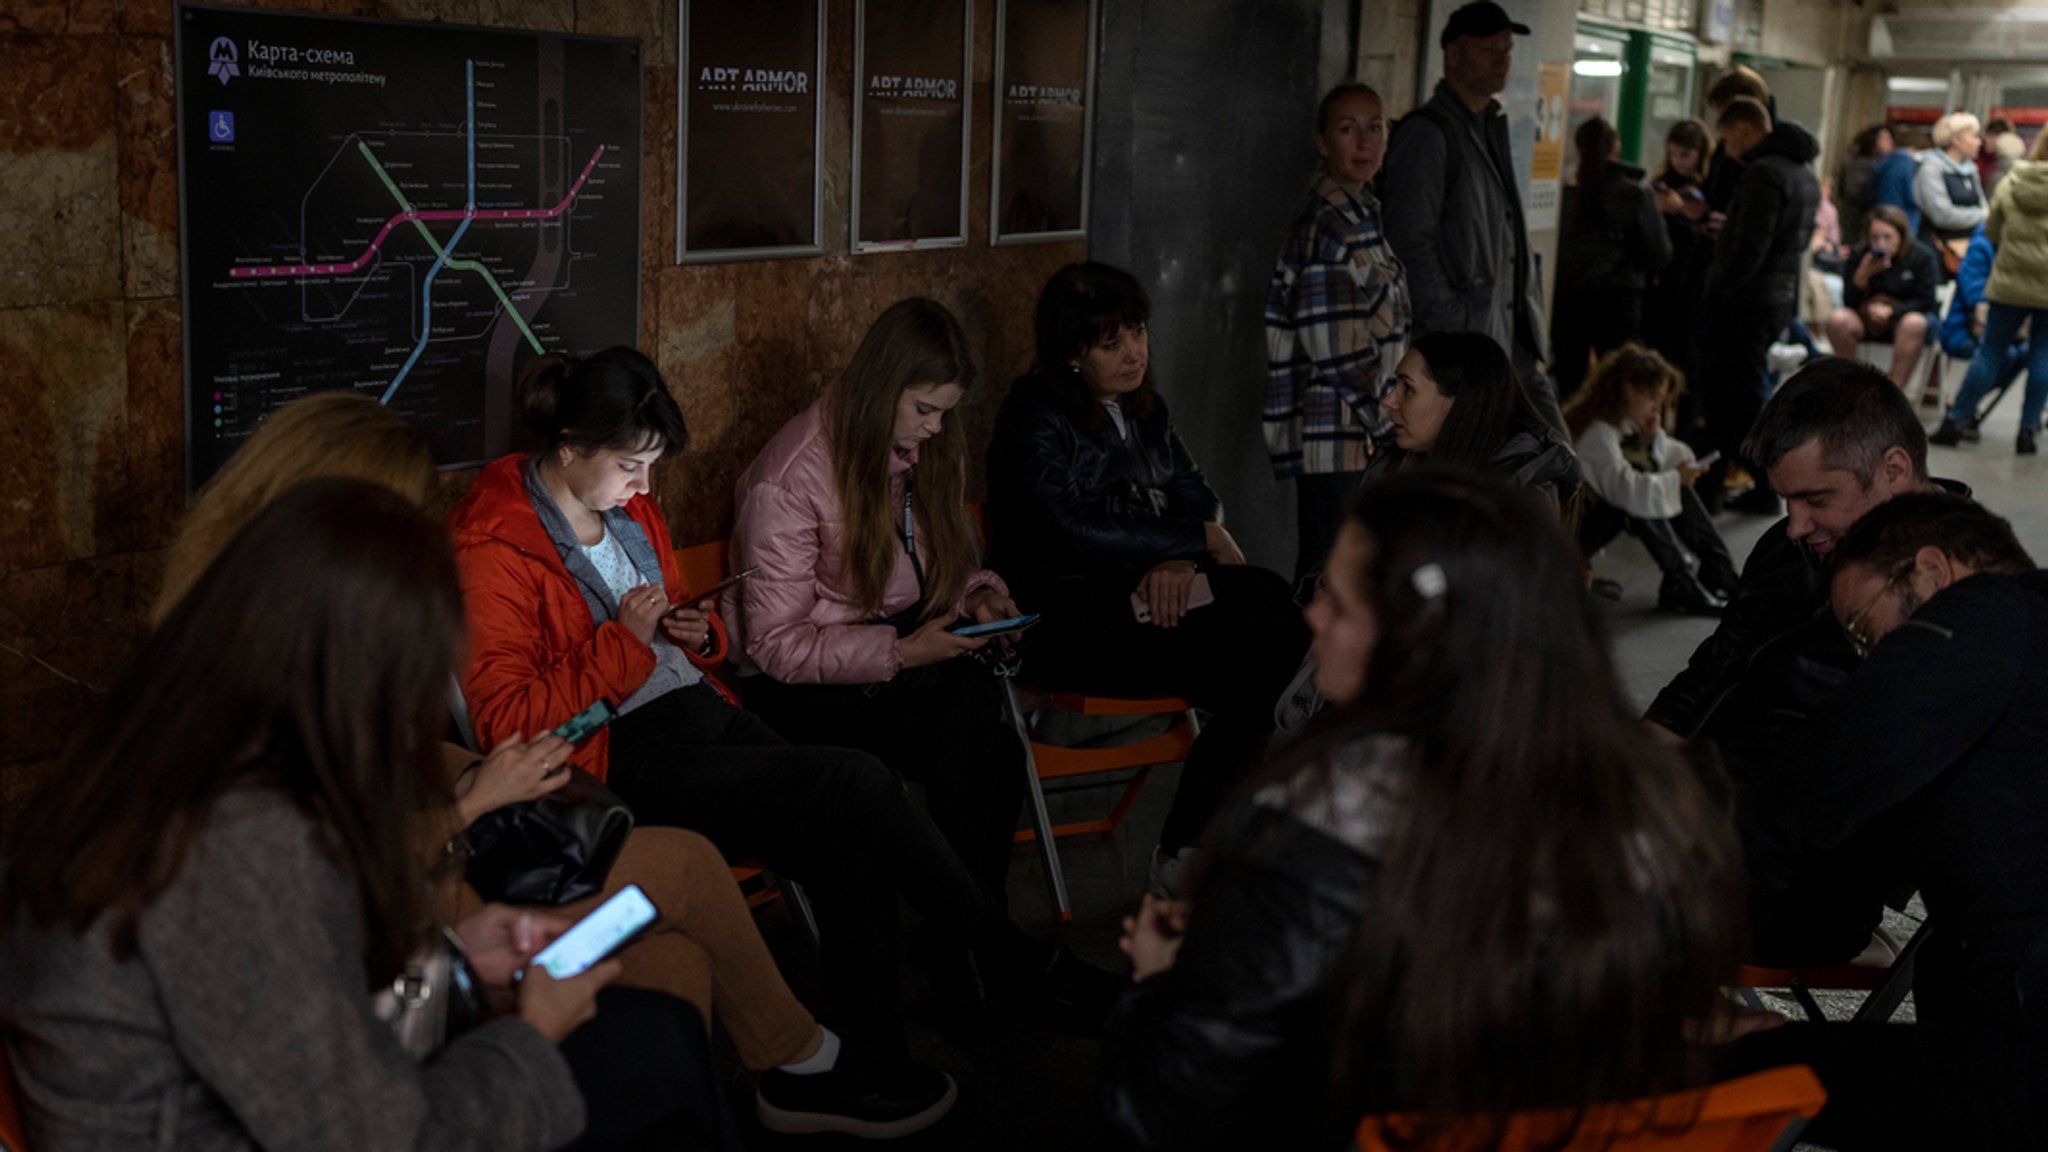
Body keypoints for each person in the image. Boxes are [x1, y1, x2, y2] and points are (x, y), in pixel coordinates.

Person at [153, 391, 885, 1141]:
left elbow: (375, 791)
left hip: (448, 928)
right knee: (689, 879)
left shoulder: (302, 649)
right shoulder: (244, 703)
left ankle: (770, 1081)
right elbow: (317, 904)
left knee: (676, 966)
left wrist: (470, 772)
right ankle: (803, 1063)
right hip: (430, 970)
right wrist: (473, 824)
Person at [449, 347, 1114, 1129]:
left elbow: (689, 633)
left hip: (699, 710)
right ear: (569, 446)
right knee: (857, 782)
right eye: (633, 465)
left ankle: (868, 1067)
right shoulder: (492, 544)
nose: (645, 488)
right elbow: (510, 724)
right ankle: (1013, 960)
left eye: (653, 467)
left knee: (848, 842)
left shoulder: (629, 506)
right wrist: (625, 647)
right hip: (616, 757)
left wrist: (694, 633)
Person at [1101, 471, 1746, 1151]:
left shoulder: (1315, 842)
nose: (1313, 614)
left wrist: (1155, 981)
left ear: (1416, 641)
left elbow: (1157, 1114)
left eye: (1339, 603)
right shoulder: (1659, 808)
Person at [0, 480, 652, 1152]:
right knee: (649, 1054)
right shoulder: (233, 844)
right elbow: (372, 1136)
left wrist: (450, 961)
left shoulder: (167, 752)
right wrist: (530, 1038)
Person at [1737, 492, 2048, 1149]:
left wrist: (1651, 949)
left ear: (1933, 571)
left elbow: (1800, 796)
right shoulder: (1990, 709)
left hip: (2010, 1069)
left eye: (1863, 632)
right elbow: (1837, 899)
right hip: (1991, 1051)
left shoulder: (1987, 614)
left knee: (1693, 1064)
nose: (1868, 663)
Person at [986, 261, 1309, 895]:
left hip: (1149, 606)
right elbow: (1072, 530)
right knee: (1270, 606)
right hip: (1066, 622)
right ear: (1072, 353)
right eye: (1112, 343)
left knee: (1259, 674)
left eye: (1137, 332)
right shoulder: (1033, 413)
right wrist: (1193, 540)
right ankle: (1220, 832)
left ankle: (1182, 853)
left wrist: (1180, 557)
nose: (1134, 352)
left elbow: (1201, 498)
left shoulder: (1146, 408)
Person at [1643, 358, 1964, 964]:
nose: (1795, 525)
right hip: (1697, 819)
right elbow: (1713, 666)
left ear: (1894, 472)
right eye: (1787, 499)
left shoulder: (1954, 599)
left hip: (1796, 886)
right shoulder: (1791, 548)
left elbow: (1887, 815)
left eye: (1816, 498)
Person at [729, 298, 1026, 916]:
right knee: (967, 739)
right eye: (925, 410)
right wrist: (902, 651)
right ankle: (978, 939)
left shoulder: (913, 450)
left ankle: (974, 936)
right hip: (799, 688)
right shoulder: (789, 478)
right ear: (882, 388)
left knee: (991, 744)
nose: (936, 429)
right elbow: (774, 644)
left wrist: (977, 593)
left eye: (945, 412)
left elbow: (928, 566)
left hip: (889, 653)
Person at [1380, 0, 1562, 432]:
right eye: (1489, 50)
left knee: (1554, 468)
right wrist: (1457, 328)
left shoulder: (1487, 126)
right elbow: (1408, 245)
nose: (1502, 62)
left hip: (1506, 346)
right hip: (1468, 351)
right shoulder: (1428, 134)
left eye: (1507, 50)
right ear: (1454, 54)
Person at [1263, 81, 1411, 581]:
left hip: (1360, 429)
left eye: (1375, 128)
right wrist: (1393, 423)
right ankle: (1307, 663)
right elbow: (1339, 352)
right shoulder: (1329, 223)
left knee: (1346, 571)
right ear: (1322, 142)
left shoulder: (1362, 210)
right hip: (1342, 434)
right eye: (1348, 130)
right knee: (1330, 575)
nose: (1365, 142)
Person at [1695, 96, 1820, 515]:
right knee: (1742, 395)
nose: (1724, 146)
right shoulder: (1802, 172)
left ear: (1744, 130)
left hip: (1744, 304)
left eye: (1727, 135)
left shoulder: (1763, 174)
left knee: (1730, 400)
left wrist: (1715, 296)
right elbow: (1783, 241)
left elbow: (1750, 251)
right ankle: (1723, 486)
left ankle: (1764, 485)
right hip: (1776, 299)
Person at [1565, 343, 1737, 615]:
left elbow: (1658, 467)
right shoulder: (1598, 432)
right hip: (1569, 537)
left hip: (1589, 522)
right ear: (1628, 390)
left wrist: (1653, 439)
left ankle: (1714, 569)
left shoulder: (1616, 423)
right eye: (1652, 398)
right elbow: (1627, 490)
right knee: (1639, 492)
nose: (1657, 407)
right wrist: (1673, 476)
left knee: (1658, 485)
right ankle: (1686, 579)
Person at [1368, 330, 1579, 512]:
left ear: (1458, 403)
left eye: (1408, 389)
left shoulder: (1525, 491)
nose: (1388, 401)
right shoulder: (1393, 460)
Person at [1933, 131, 2048, 453]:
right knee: (2043, 356)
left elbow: (1992, 231)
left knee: (1990, 351)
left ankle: (1955, 421)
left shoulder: (2014, 181)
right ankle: (2027, 432)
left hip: (2009, 283)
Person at [1551, 117, 1672, 402]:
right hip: (1618, 301)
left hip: (1568, 299)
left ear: (1577, 147)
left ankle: (1570, 440)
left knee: (1570, 381)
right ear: (1616, 147)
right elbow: (1660, 253)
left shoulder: (1565, 193)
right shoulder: (1635, 194)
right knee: (1620, 381)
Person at [1932, 223, 2032, 443]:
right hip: (1964, 328)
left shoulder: (2023, 249)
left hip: (2002, 330)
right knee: (2004, 354)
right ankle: (1961, 412)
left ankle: (1967, 406)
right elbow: (1974, 294)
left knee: (2026, 353)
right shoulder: (1982, 244)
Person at [1824, 204, 1941, 391]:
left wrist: (1893, 310)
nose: (1881, 244)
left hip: (1903, 320)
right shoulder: (1861, 255)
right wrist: (1861, 277)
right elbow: (1849, 302)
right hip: (1866, 318)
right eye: (1875, 237)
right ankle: (1853, 387)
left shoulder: (1920, 256)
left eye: (1888, 237)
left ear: (1901, 236)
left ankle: (1893, 392)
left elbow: (1927, 301)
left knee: (1914, 323)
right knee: (1838, 320)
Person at [1643, 118, 1714, 424]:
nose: (1678, 162)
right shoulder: (1662, 183)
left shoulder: (1711, 186)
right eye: (1673, 154)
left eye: (1684, 155)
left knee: (1689, 361)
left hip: (1696, 287)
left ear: (1700, 154)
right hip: (1664, 286)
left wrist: (1682, 214)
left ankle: (1688, 427)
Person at [1915, 111, 1989, 271]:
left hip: (1967, 252)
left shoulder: (1971, 170)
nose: (1979, 142)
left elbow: (1983, 207)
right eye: (1974, 136)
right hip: (1937, 253)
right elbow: (1942, 215)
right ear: (1956, 140)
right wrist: (1982, 215)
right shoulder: (1930, 168)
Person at [1837, 124, 1891, 244]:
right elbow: (1853, 191)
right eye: (1885, 139)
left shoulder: (1880, 163)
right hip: (1857, 221)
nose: (1890, 143)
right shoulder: (1864, 163)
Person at [1870, 124, 1923, 236]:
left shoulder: (1887, 163)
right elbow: (1914, 197)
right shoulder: (1907, 165)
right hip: (1904, 221)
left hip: (1884, 217)